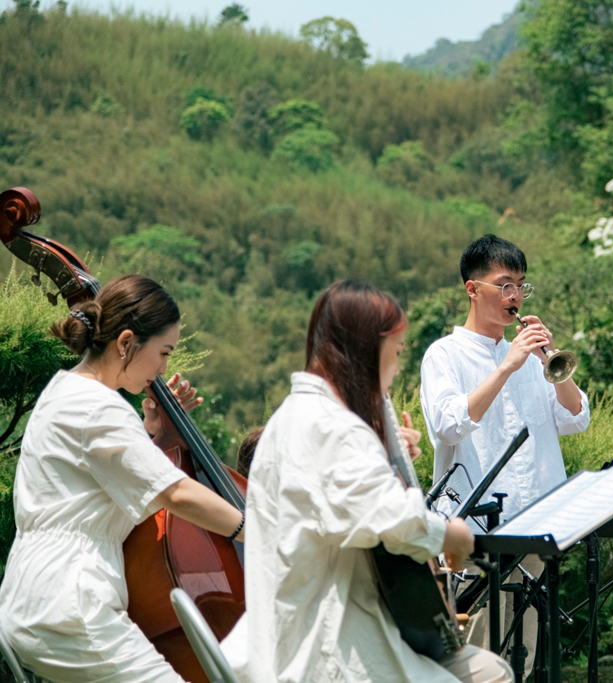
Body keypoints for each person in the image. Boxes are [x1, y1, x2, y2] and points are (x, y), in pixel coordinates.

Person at [223, 280, 511, 683]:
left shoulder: (292, 417)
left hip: (285, 635)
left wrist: (382, 454)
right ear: (366, 350)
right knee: (492, 675)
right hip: (328, 645)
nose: (397, 368)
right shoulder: (334, 427)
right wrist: (453, 535)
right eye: (397, 352)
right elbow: (394, 521)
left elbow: (349, 500)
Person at [0, 275, 246, 683]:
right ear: (126, 341)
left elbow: (109, 478)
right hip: (73, 605)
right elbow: (176, 493)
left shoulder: (64, 392)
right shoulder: (98, 406)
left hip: (34, 600)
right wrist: (257, 531)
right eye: (163, 352)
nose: (164, 369)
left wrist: (155, 436)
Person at [419, 234, 591, 674]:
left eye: (520, 285)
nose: (514, 296)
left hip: (534, 526)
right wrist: (507, 366)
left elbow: (576, 417)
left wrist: (551, 361)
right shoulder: (444, 355)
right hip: (476, 535)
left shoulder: (531, 358)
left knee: (522, 660)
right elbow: (448, 424)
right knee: (476, 663)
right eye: (504, 285)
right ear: (473, 289)